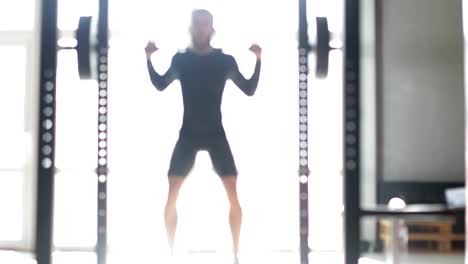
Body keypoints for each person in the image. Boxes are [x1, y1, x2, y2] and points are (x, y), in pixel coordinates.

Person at [145, 8, 261, 264]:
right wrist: (149, 59)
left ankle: (236, 255)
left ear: (212, 28)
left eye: (205, 24)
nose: (201, 28)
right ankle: (171, 254)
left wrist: (258, 60)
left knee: (233, 191)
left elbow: (249, 89)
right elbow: (160, 84)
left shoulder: (224, 61)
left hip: (214, 132)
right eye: (197, 24)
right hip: (188, 133)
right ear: (191, 27)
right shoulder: (182, 61)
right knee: (172, 191)